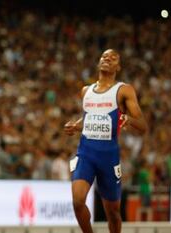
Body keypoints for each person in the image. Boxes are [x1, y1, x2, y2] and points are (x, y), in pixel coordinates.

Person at [64, 49, 147, 233]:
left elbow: (143, 125)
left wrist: (129, 120)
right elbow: (89, 118)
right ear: (98, 62)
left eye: (113, 58)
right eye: (104, 56)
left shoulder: (124, 90)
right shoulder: (86, 90)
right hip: (85, 153)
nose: (107, 59)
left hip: (108, 157)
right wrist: (75, 126)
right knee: (78, 202)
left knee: (113, 213)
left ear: (118, 66)